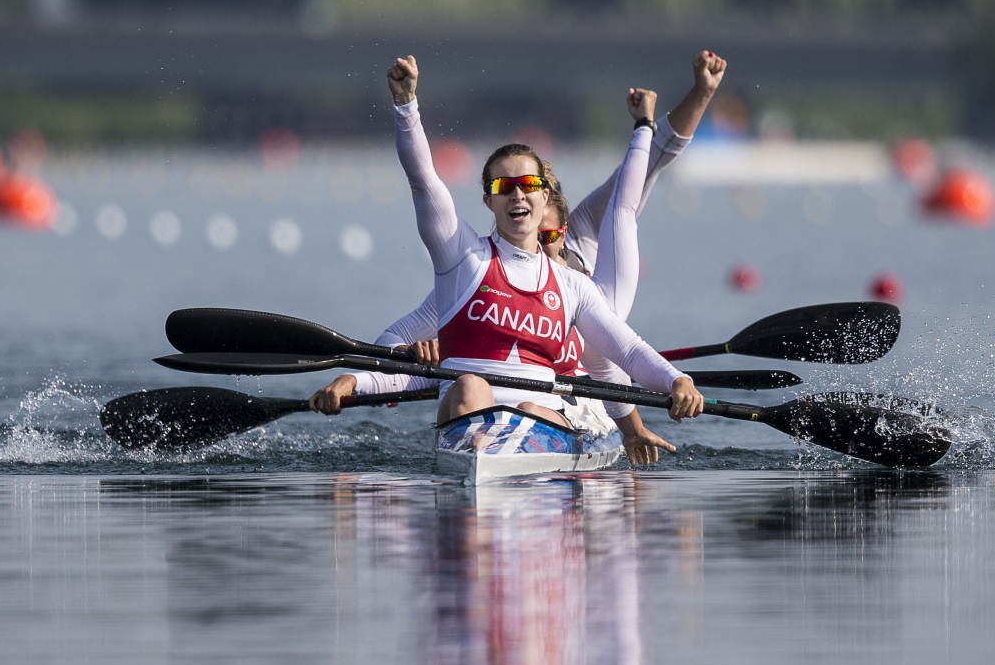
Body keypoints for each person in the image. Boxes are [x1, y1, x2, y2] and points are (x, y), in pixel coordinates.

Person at [311, 52, 728, 463]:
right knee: (471, 385)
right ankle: (482, 463)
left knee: (531, 410)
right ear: (489, 200)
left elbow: (629, 352)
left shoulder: (573, 286)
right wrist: (406, 106)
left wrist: (678, 381)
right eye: (503, 186)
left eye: (527, 184)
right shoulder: (463, 262)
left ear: (544, 195)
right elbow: (423, 180)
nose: (516, 194)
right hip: (467, 422)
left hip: (541, 423)